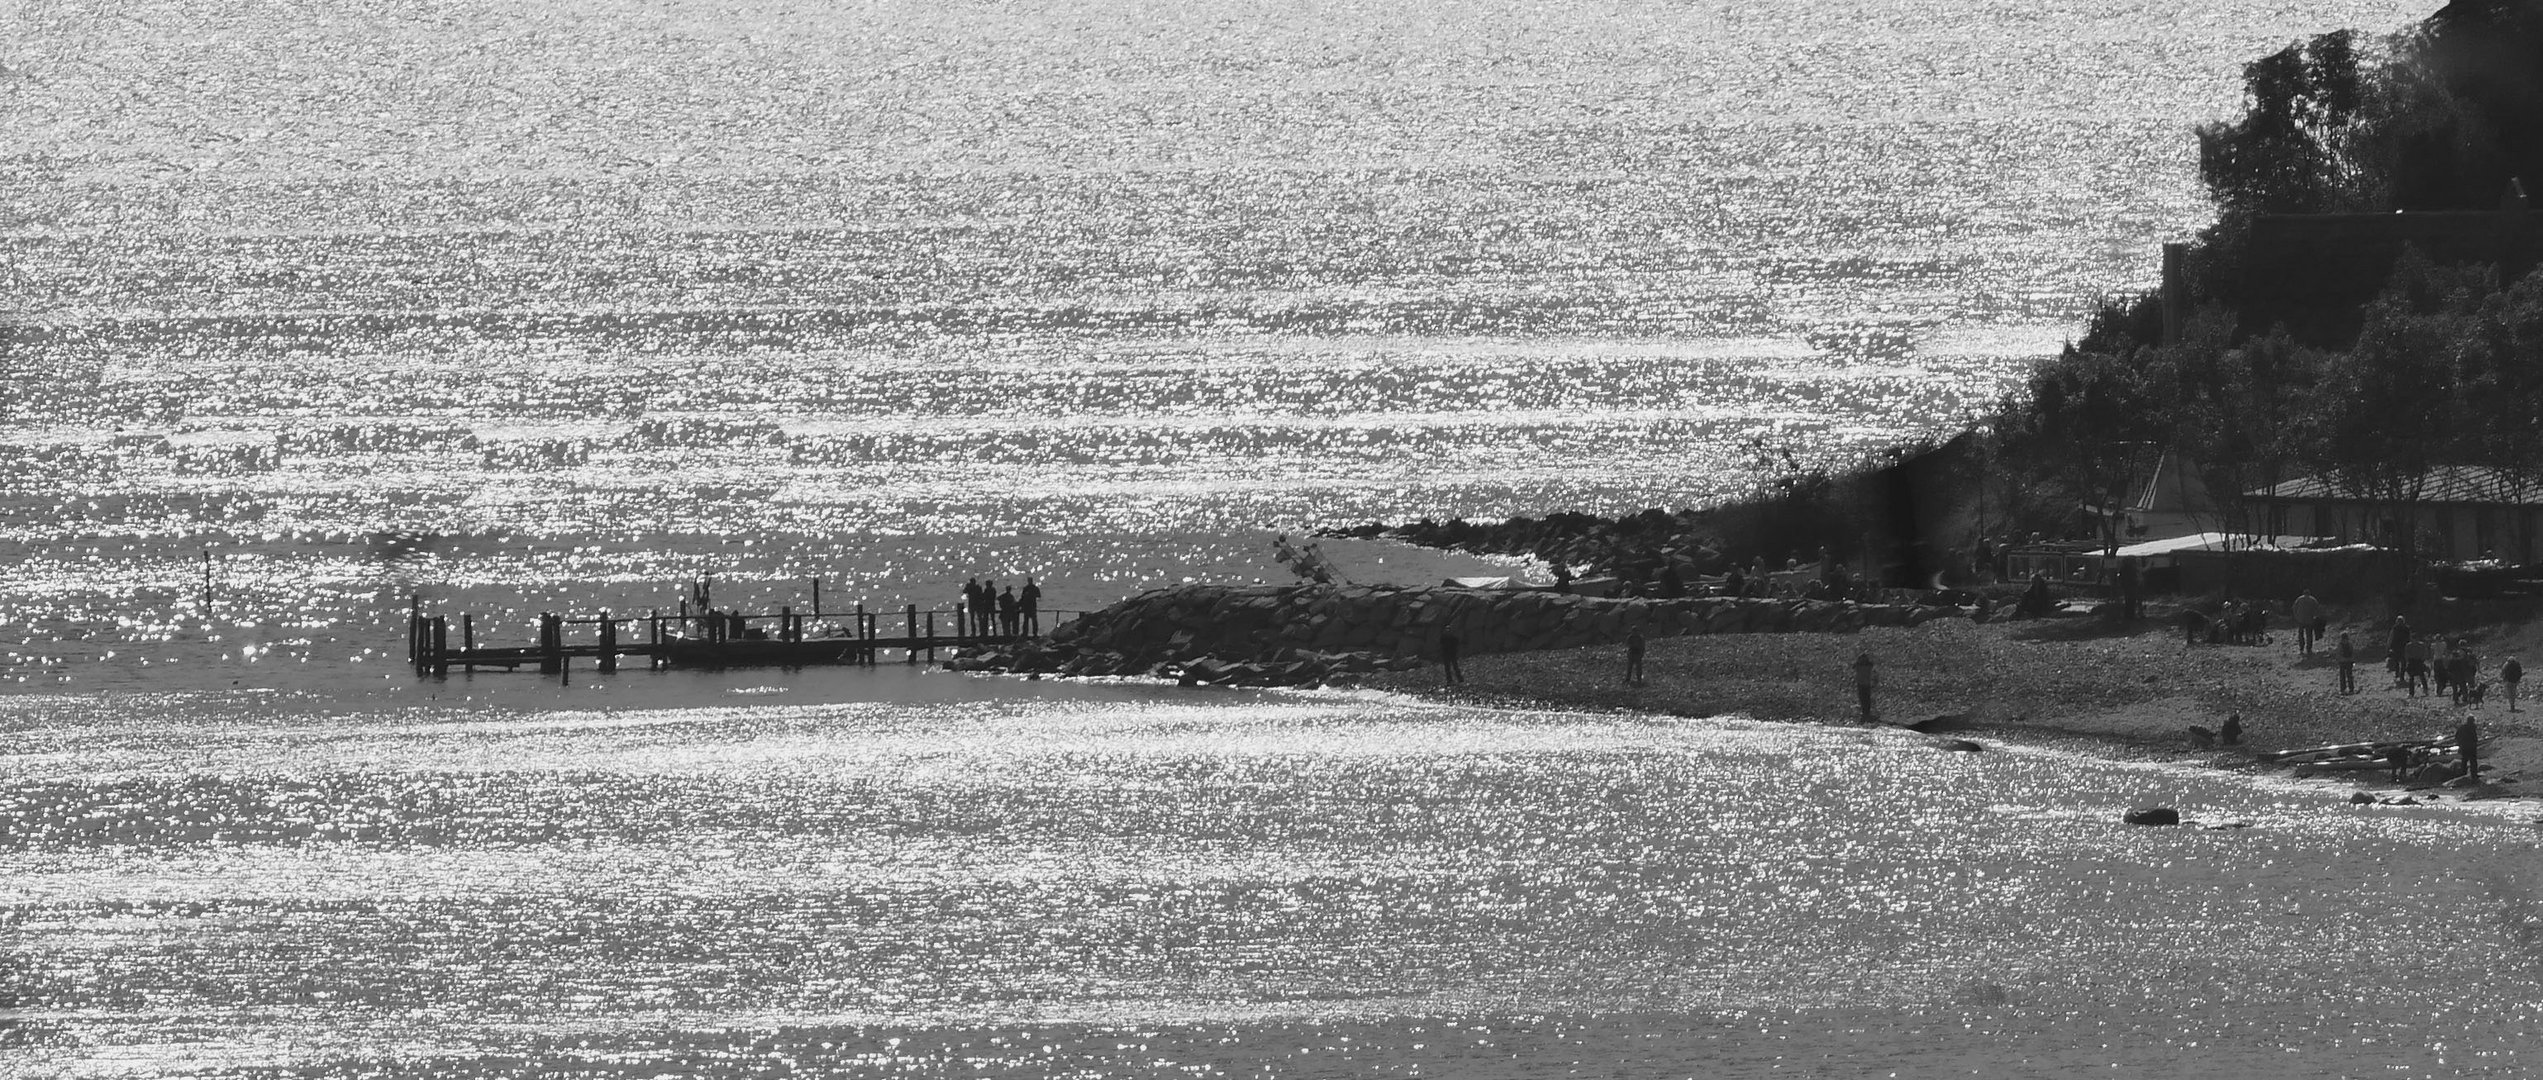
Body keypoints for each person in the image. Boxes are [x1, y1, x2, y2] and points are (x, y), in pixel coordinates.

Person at [2291, 589, 2322, 655]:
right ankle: (2309, 649)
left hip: (2300, 620)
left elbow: (2294, 608)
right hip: (2309, 620)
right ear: (2309, 593)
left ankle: (2301, 648)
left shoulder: (2299, 599)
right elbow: (2317, 609)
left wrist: (2296, 616)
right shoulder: (2313, 599)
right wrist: (2316, 617)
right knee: (2309, 635)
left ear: (2303, 593)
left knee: (2301, 634)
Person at [1853, 652, 1879, 724]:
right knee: (1866, 701)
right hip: (1865, 685)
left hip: (1863, 685)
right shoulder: (1868, 665)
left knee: (1865, 700)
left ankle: (1866, 715)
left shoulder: (1860, 665)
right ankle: (1866, 715)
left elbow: (1854, 666)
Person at [2387, 616, 2411, 687]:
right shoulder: (2406, 628)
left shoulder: (2395, 628)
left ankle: (2398, 675)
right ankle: (2401, 676)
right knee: (2403, 662)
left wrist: (2389, 646)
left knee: (2397, 661)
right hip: (2404, 647)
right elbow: (2409, 638)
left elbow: (2391, 637)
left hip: (2396, 647)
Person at [2458, 714, 2482, 780]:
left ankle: (2463, 774)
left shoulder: (2462, 727)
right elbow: (2475, 738)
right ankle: (2474, 775)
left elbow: (2457, 736)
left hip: (2464, 747)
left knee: (2464, 761)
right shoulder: (2472, 727)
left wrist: (2460, 744)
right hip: (2471, 747)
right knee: (2473, 762)